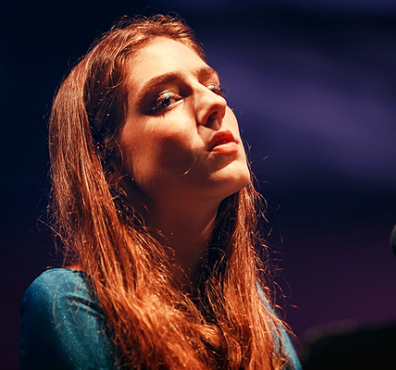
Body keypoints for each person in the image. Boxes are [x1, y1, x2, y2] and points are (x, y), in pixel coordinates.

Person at [19, 13, 302, 370]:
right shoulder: (68, 303)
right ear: (110, 164)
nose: (216, 105)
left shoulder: (249, 307)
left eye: (213, 88)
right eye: (167, 99)